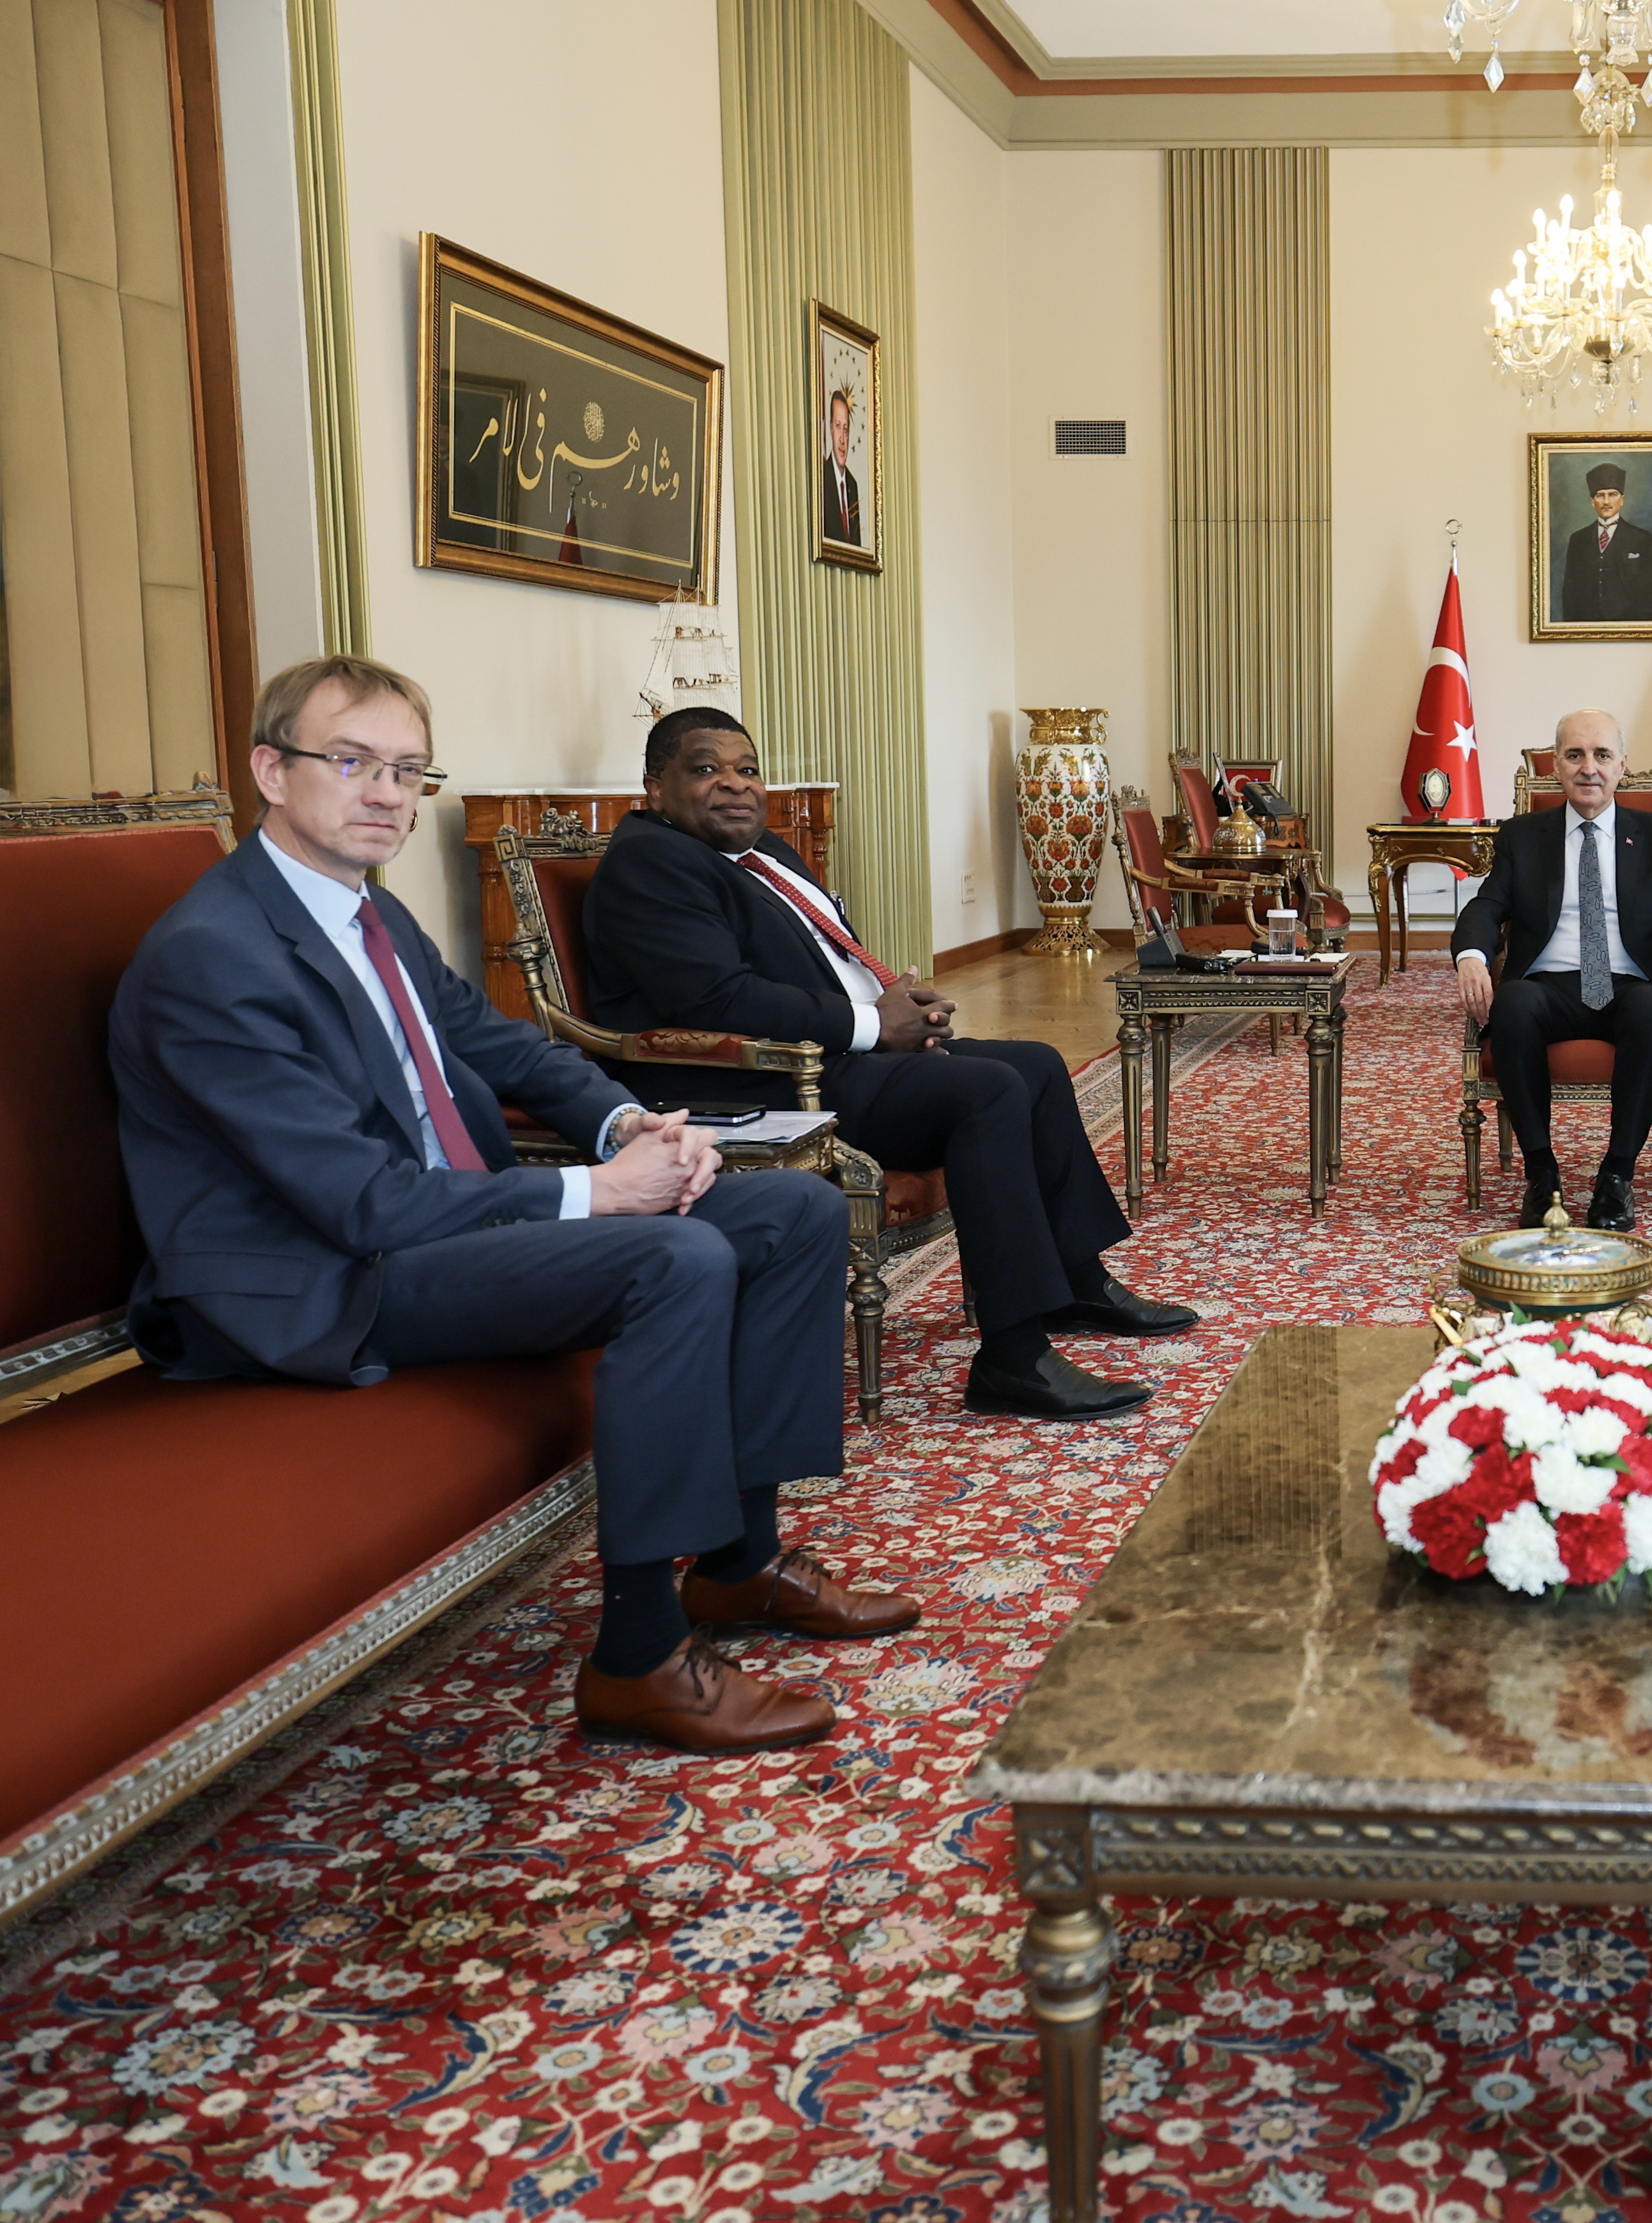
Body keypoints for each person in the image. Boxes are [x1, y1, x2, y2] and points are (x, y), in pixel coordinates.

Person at [110, 657, 917, 1757]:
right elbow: (359, 1204)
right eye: (350, 762)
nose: (385, 793)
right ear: (271, 770)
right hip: (325, 1279)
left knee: (793, 1214)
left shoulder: (368, 912)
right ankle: (639, 1657)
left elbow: (504, 1046)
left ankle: (741, 1565)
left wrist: (624, 1127)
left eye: (408, 771)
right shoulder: (216, 957)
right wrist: (598, 1193)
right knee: (673, 1258)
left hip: (432, 1227)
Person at [579, 710, 1198, 1422]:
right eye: (705, 769)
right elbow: (718, 999)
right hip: (754, 1082)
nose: (735, 785)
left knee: (1035, 1065)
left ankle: (1076, 1282)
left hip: (830, 1052)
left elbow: (822, 959)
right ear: (655, 787)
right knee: (987, 1089)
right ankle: (1014, 1356)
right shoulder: (652, 862)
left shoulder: (762, 852)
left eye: (747, 769)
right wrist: (876, 1026)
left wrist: (894, 1004)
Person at [1452, 710, 1652, 1231]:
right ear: (1557, 766)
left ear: (1622, 765)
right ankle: (1542, 1175)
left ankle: (1616, 1177)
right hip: (1549, 987)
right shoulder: (1522, 836)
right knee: (1513, 1003)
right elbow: (1486, 907)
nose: (1589, 768)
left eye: (1602, 755)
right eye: (1575, 755)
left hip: (1633, 987)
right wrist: (1472, 956)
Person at [1558, 463, 1652, 624]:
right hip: (1588, 626)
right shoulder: (1578, 540)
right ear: (1592, 502)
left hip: (1630, 626)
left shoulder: (1643, 540)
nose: (1606, 501)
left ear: (1622, 500)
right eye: (1600, 495)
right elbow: (1570, 594)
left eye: (1613, 494)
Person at [821, 386, 864, 547]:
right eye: (838, 426)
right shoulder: (822, 480)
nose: (842, 439)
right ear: (831, 429)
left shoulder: (853, 485)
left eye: (846, 429)